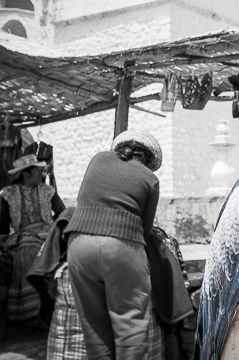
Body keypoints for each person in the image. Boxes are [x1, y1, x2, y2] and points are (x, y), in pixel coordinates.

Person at [65, 130, 162, 359]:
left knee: (93, 325)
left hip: (79, 244)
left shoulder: (98, 159)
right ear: (148, 159)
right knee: (130, 323)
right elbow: (145, 229)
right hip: (122, 247)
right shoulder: (150, 179)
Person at [0, 153, 66, 324]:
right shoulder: (7, 194)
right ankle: (36, 310)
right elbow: (1, 225)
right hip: (23, 235)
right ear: (25, 174)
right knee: (28, 253)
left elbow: (62, 214)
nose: (40, 174)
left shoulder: (48, 191)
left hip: (48, 233)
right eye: (37, 171)